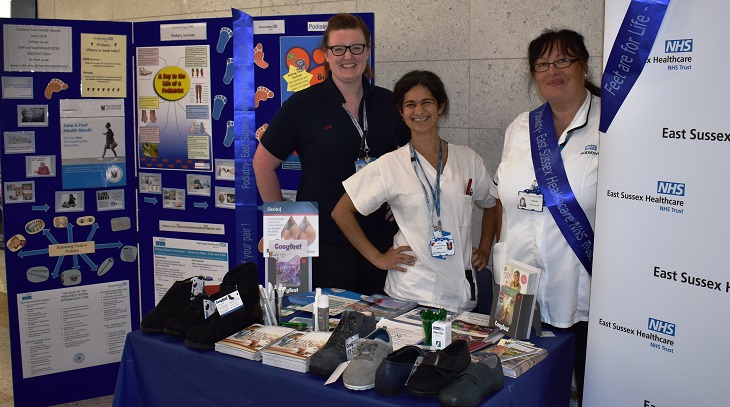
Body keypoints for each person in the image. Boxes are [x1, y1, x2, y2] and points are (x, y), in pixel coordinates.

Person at [253, 13, 409, 295]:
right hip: (321, 242)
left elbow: (414, 159)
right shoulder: (302, 105)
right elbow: (262, 164)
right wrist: (286, 229)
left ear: (367, 51)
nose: (347, 56)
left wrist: (402, 200)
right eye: (338, 48)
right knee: (321, 329)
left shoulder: (389, 103)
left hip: (379, 241)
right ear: (326, 54)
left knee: (377, 328)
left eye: (356, 47)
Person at [490, 29, 600, 405]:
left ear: (583, 65)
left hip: (581, 284)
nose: (553, 70)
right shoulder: (521, 127)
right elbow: (504, 196)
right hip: (519, 286)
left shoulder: (612, 125)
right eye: (542, 64)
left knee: (590, 387)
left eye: (563, 60)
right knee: (523, 387)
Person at [331, 70, 496, 312]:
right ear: (401, 112)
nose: (419, 112)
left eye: (426, 102)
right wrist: (378, 258)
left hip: (457, 293)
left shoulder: (468, 159)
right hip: (408, 292)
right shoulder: (390, 165)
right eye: (410, 105)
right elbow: (341, 211)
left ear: (440, 107)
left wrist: (484, 249)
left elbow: (492, 202)